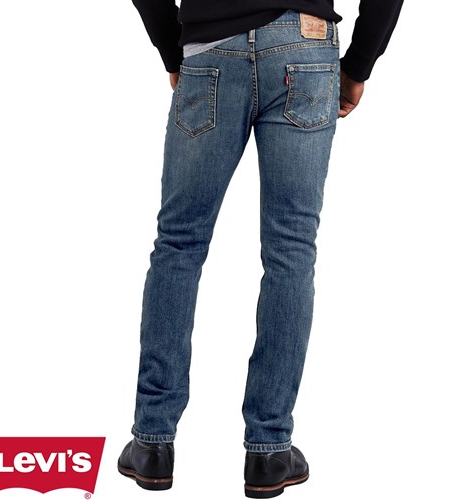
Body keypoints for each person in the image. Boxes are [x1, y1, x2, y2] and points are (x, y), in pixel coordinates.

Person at [117, 1, 404, 497]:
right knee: (291, 250)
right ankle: (269, 450)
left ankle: (152, 442)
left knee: (179, 245)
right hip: (305, 48)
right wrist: (359, 64)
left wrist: (172, 47)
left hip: (210, 48)